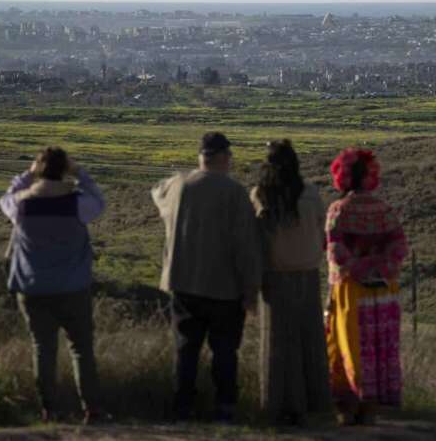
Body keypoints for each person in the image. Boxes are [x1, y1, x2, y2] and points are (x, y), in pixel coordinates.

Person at [151, 132, 262, 423]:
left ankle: (182, 408)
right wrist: (250, 290)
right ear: (224, 157)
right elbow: (245, 248)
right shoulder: (235, 193)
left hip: (184, 283)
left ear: (201, 157)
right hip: (225, 288)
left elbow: (157, 192)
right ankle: (225, 408)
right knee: (225, 352)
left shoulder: (178, 185)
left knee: (185, 350)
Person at [0, 147, 106, 424]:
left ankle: (50, 409)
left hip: (32, 288)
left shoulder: (22, 205)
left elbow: (5, 198)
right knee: (81, 349)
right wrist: (79, 172)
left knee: (42, 349)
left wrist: (27, 175)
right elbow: (98, 201)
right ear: (64, 170)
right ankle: (92, 408)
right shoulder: (77, 204)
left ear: (39, 169)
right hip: (73, 287)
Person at [324, 148, 408, 425]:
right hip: (383, 292)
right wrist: (380, 267)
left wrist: (358, 269)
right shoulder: (384, 209)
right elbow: (399, 246)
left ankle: (349, 405)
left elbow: (335, 250)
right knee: (379, 346)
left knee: (350, 345)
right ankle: (372, 406)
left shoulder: (339, 210)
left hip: (352, 291)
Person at [250, 140, 332, 425]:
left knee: (277, 344)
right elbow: (323, 235)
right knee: (309, 340)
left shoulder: (261, 195)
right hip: (309, 275)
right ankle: (315, 403)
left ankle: (278, 405)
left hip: (275, 277)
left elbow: (255, 241)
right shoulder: (310, 193)